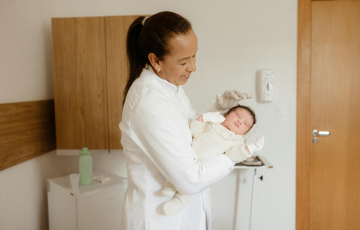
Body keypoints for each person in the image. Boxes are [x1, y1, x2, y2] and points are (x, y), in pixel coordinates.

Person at [119, 11, 253, 230]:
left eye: (194, 55)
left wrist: (218, 110)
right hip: (159, 219)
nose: (193, 67)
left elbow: (188, 133)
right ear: (155, 60)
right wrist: (232, 157)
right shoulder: (149, 101)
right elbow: (190, 179)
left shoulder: (171, 87)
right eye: (183, 62)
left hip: (182, 216)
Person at [161, 105, 265, 215]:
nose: (240, 121)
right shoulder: (212, 124)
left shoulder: (237, 140)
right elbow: (194, 130)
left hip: (202, 164)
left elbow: (233, 154)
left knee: (189, 187)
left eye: (245, 124)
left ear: (245, 132)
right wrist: (203, 118)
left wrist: (250, 148)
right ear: (226, 115)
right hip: (189, 154)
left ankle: (179, 202)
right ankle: (170, 186)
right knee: (176, 168)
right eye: (238, 116)